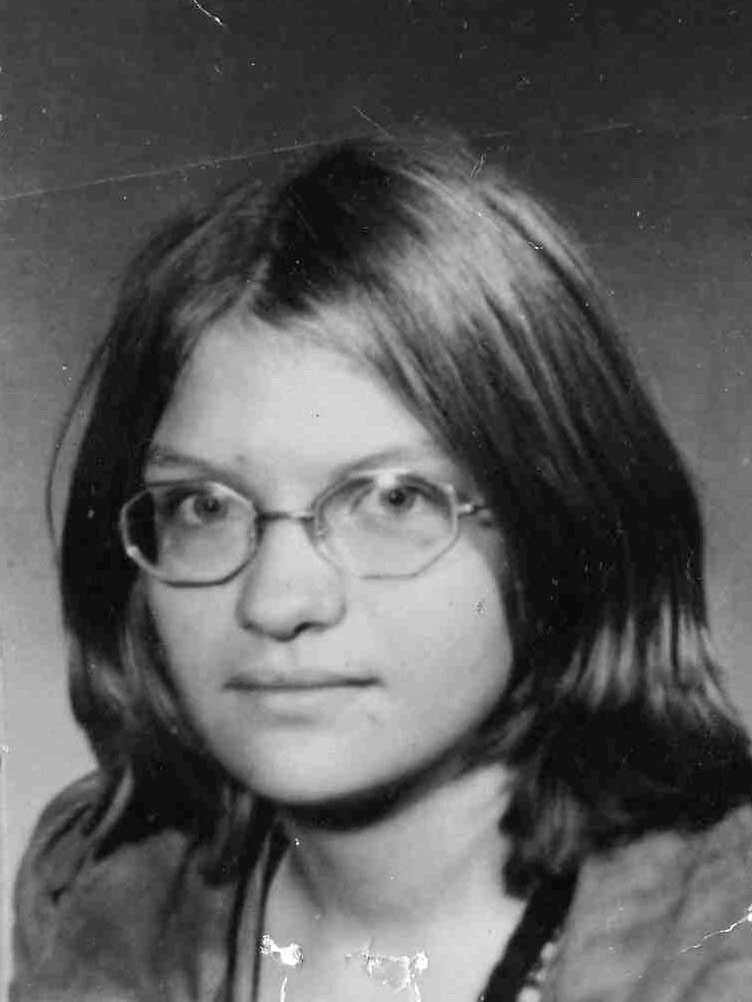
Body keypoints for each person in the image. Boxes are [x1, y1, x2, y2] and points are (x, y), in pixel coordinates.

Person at [11, 134, 752, 1002]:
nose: (277, 601)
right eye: (203, 506)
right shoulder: (94, 885)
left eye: (394, 499)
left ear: (558, 523)